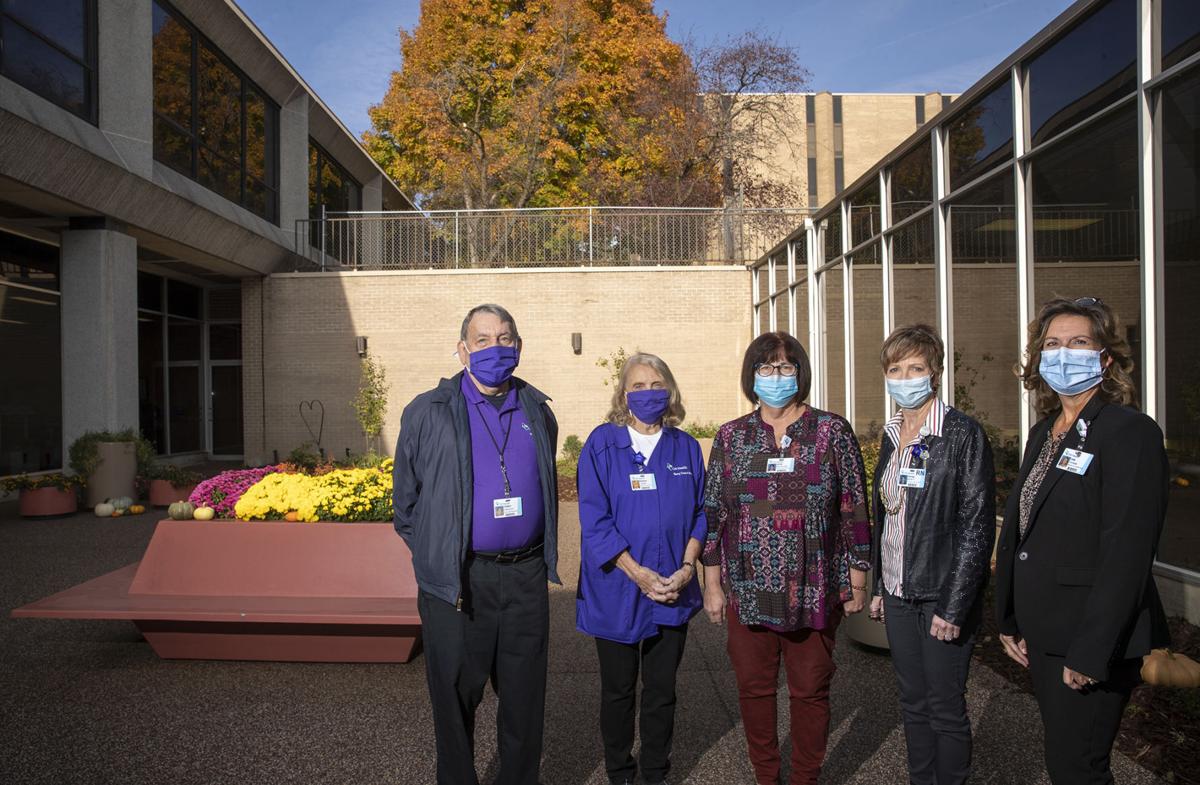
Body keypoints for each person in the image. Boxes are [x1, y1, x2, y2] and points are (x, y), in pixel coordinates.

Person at [995, 296, 1171, 785]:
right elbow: (1025, 529)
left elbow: (1128, 551)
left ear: (1105, 358)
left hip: (1090, 639)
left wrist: (1092, 651)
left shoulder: (1127, 432)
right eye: (1052, 344)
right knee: (1065, 760)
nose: (1062, 354)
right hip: (1046, 630)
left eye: (1078, 342)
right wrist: (1009, 615)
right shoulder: (1044, 432)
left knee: (1079, 767)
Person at [392, 304, 560, 785]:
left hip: (525, 578)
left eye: (504, 338)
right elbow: (406, 505)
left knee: (525, 702)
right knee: (455, 697)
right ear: (462, 349)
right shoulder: (427, 411)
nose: (495, 348)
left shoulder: (536, 410)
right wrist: (438, 553)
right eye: (482, 339)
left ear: (519, 347)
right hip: (460, 582)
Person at [701, 331, 871, 785]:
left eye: (785, 367)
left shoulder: (831, 431)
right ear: (751, 376)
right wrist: (713, 584)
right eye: (765, 367)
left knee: (810, 691)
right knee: (754, 691)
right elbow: (715, 513)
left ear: (801, 372)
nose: (775, 376)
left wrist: (857, 577)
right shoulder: (732, 437)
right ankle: (766, 776)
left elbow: (854, 505)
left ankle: (805, 778)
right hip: (748, 587)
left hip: (813, 585)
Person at [866, 324, 995, 785]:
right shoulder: (891, 433)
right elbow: (888, 517)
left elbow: (976, 527)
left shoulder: (962, 435)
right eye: (895, 369)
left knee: (945, 708)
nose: (905, 377)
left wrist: (955, 605)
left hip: (941, 597)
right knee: (912, 705)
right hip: (899, 594)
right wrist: (880, 586)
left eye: (915, 367)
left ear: (935, 373)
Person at [576, 352, 707, 785]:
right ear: (623, 393)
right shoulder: (602, 444)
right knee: (617, 692)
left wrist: (688, 567)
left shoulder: (685, 447)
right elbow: (594, 520)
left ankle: (654, 774)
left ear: (669, 391)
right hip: (616, 588)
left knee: (661, 692)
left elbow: (701, 513)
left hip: (673, 587)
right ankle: (620, 772)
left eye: (656, 384)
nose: (648, 393)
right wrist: (637, 573)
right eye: (637, 385)